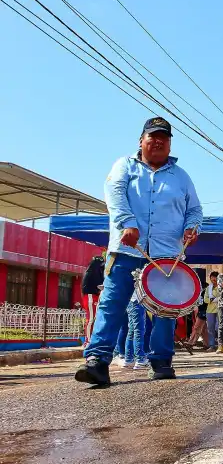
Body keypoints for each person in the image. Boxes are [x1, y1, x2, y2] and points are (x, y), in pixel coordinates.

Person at [74, 117, 202, 386]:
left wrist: (192, 227)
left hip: (167, 255)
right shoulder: (124, 165)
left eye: (163, 138)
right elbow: (115, 194)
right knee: (112, 304)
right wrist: (128, 224)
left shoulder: (182, 176)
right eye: (152, 137)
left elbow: (194, 210)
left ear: (169, 144)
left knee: (167, 309)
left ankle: (161, 361)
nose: (157, 141)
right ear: (141, 141)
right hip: (126, 250)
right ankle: (97, 361)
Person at [80, 253, 105, 346]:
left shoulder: (92, 271)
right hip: (90, 296)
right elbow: (93, 285)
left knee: (94, 319)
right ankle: (88, 341)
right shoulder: (91, 272)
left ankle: (91, 340)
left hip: (93, 296)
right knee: (90, 319)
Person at [205, 271, 219, 352]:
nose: (214, 279)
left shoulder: (221, 287)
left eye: (215, 277)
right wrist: (213, 299)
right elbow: (205, 299)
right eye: (212, 277)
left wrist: (212, 299)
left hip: (219, 309)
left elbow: (221, 297)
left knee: (218, 327)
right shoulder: (208, 288)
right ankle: (212, 345)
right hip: (209, 310)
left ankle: (220, 344)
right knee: (210, 328)